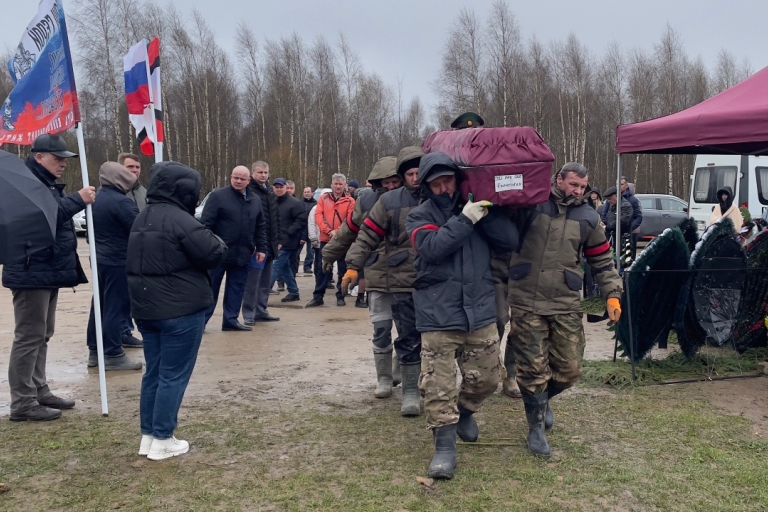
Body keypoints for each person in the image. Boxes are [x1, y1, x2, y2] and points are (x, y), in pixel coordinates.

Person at [406, 152, 518, 479]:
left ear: (458, 179)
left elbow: (510, 241)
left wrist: (488, 211)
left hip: (479, 310)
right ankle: (444, 448)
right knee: (438, 386)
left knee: (488, 379)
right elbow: (433, 247)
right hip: (438, 313)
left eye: (448, 181)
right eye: (436, 183)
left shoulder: (475, 210)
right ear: (427, 186)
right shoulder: (418, 215)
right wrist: (465, 219)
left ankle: (466, 411)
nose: (444, 188)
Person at [507, 163, 622, 458]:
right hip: (526, 297)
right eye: (573, 185)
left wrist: (612, 295)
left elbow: (602, 261)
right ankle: (534, 429)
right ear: (558, 179)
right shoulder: (532, 204)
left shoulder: (588, 217)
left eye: (583, 187)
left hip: (564, 299)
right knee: (532, 369)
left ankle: (542, 401)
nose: (578, 191)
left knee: (570, 369)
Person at [127, 161, 227, 460]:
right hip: (180, 309)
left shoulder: (143, 216)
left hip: (147, 309)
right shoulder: (181, 220)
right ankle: (163, 438)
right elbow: (214, 251)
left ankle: (149, 435)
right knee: (173, 375)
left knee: (154, 373)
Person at [4, 133, 96, 422]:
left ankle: (38, 390)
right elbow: (43, 217)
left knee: (42, 334)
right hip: (31, 270)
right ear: (39, 156)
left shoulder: (43, 183)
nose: (63, 165)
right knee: (29, 337)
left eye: (65, 160)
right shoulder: (23, 184)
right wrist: (77, 200)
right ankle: (22, 402)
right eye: (58, 159)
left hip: (46, 269)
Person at [345, 147, 425, 414]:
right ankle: (386, 379)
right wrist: (352, 265)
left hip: (423, 279)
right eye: (409, 173)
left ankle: (412, 388)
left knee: (414, 335)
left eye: (418, 172)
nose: (415, 178)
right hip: (388, 276)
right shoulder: (385, 202)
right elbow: (364, 234)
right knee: (383, 329)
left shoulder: (436, 197)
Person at [322, 156, 402, 309]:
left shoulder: (413, 198)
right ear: (378, 182)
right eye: (387, 182)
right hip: (377, 268)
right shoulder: (365, 201)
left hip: (406, 272)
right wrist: (329, 253)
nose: (391, 186)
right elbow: (349, 230)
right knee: (380, 326)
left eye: (395, 181)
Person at [85, 162, 143, 371]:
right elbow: (138, 230)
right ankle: (113, 352)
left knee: (99, 305)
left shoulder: (96, 199)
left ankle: (95, 349)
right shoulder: (121, 202)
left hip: (100, 259)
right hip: (118, 260)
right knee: (115, 307)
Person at [201, 166, 267, 331]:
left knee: (236, 289)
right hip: (218, 254)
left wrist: (261, 248)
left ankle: (230, 320)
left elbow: (260, 226)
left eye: (242, 179)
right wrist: (209, 247)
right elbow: (205, 225)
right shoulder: (218, 196)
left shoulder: (254, 200)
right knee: (211, 289)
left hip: (243, 253)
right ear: (230, 177)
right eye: (235, 177)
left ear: (248, 181)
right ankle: (201, 322)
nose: (238, 181)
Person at [306, 174, 355, 307]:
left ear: (345, 185)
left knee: (342, 268)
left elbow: (349, 219)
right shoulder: (323, 198)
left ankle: (341, 295)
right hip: (325, 239)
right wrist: (328, 231)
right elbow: (318, 216)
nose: (338, 186)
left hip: (343, 240)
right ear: (332, 184)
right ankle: (318, 296)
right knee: (322, 268)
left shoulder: (350, 201)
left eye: (340, 184)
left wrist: (338, 232)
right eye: (336, 184)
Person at [242, 161, 282, 324]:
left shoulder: (270, 193)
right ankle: (249, 313)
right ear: (253, 173)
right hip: (257, 245)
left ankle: (261, 309)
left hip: (270, 244)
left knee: (265, 281)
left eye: (266, 173)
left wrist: (278, 240)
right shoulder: (249, 192)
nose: (263, 175)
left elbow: (275, 218)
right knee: (252, 281)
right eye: (260, 173)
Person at [116, 152, 145, 348]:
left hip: (141, 252)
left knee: (135, 293)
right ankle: (122, 331)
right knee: (120, 295)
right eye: (130, 167)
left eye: (137, 167)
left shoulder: (144, 192)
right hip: (119, 252)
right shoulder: (114, 192)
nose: (134, 170)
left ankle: (129, 329)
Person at [271, 178, 307, 302]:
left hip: (288, 241)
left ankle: (262, 292)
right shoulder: (271, 202)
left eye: (281, 187)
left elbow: (301, 221)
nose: (279, 189)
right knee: (284, 267)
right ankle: (294, 291)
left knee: (275, 266)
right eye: (276, 187)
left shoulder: (295, 203)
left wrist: (288, 234)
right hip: (275, 240)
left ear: (286, 187)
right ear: (273, 188)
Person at [620, 177, 643, 255]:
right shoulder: (614, 199)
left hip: (631, 233)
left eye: (621, 184)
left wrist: (629, 228)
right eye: (617, 184)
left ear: (626, 186)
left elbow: (639, 217)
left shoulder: (633, 200)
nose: (618, 186)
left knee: (629, 256)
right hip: (617, 233)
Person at [301, 186, 317, 274]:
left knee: (311, 252)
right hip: (301, 230)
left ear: (312, 193)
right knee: (297, 252)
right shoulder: (299, 203)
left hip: (312, 230)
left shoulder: (316, 204)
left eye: (308, 192)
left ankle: (307, 267)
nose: (306, 193)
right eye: (305, 192)